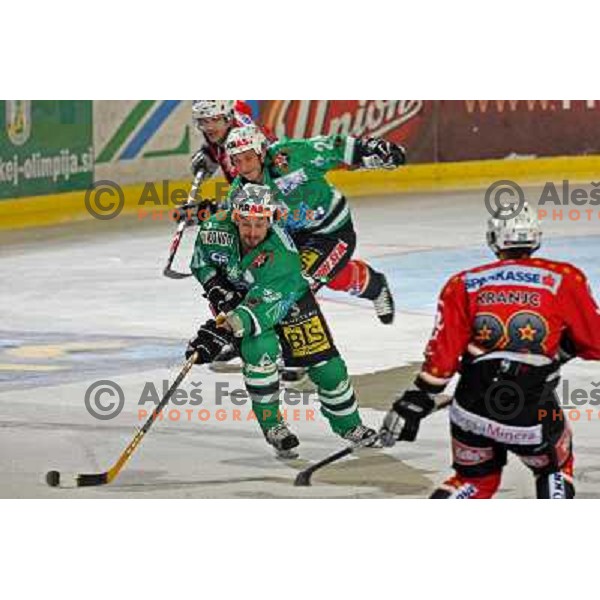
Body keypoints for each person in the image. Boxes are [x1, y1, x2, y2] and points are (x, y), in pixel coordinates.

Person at [379, 203, 600, 498]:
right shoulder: (564, 277)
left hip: (472, 407)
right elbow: (595, 342)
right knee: (554, 469)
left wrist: (416, 400)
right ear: (536, 238)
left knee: (475, 480)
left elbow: (442, 359)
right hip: (531, 410)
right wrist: (561, 349)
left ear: (492, 239)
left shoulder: (462, 283)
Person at [185, 183, 377, 456]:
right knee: (260, 352)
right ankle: (273, 426)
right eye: (246, 224)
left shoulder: (283, 256)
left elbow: (264, 305)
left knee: (326, 367)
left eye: (260, 224)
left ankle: (350, 425)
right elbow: (201, 262)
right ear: (235, 217)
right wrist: (215, 286)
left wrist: (229, 328)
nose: (252, 233)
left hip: (287, 296)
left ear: (272, 220)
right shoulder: (214, 230)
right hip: (237, 300)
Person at [223, 125, 405, 326]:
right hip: (293, 238)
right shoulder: (240, 192)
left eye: (248, 158)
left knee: (299, 283)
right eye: (237, 161)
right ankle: (375, 284)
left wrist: (371, 146)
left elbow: (332, 146)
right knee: (332, 275)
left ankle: (375, 287)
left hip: (331, 231)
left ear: (262, 151)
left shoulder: (289, 155)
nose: (244, 167)